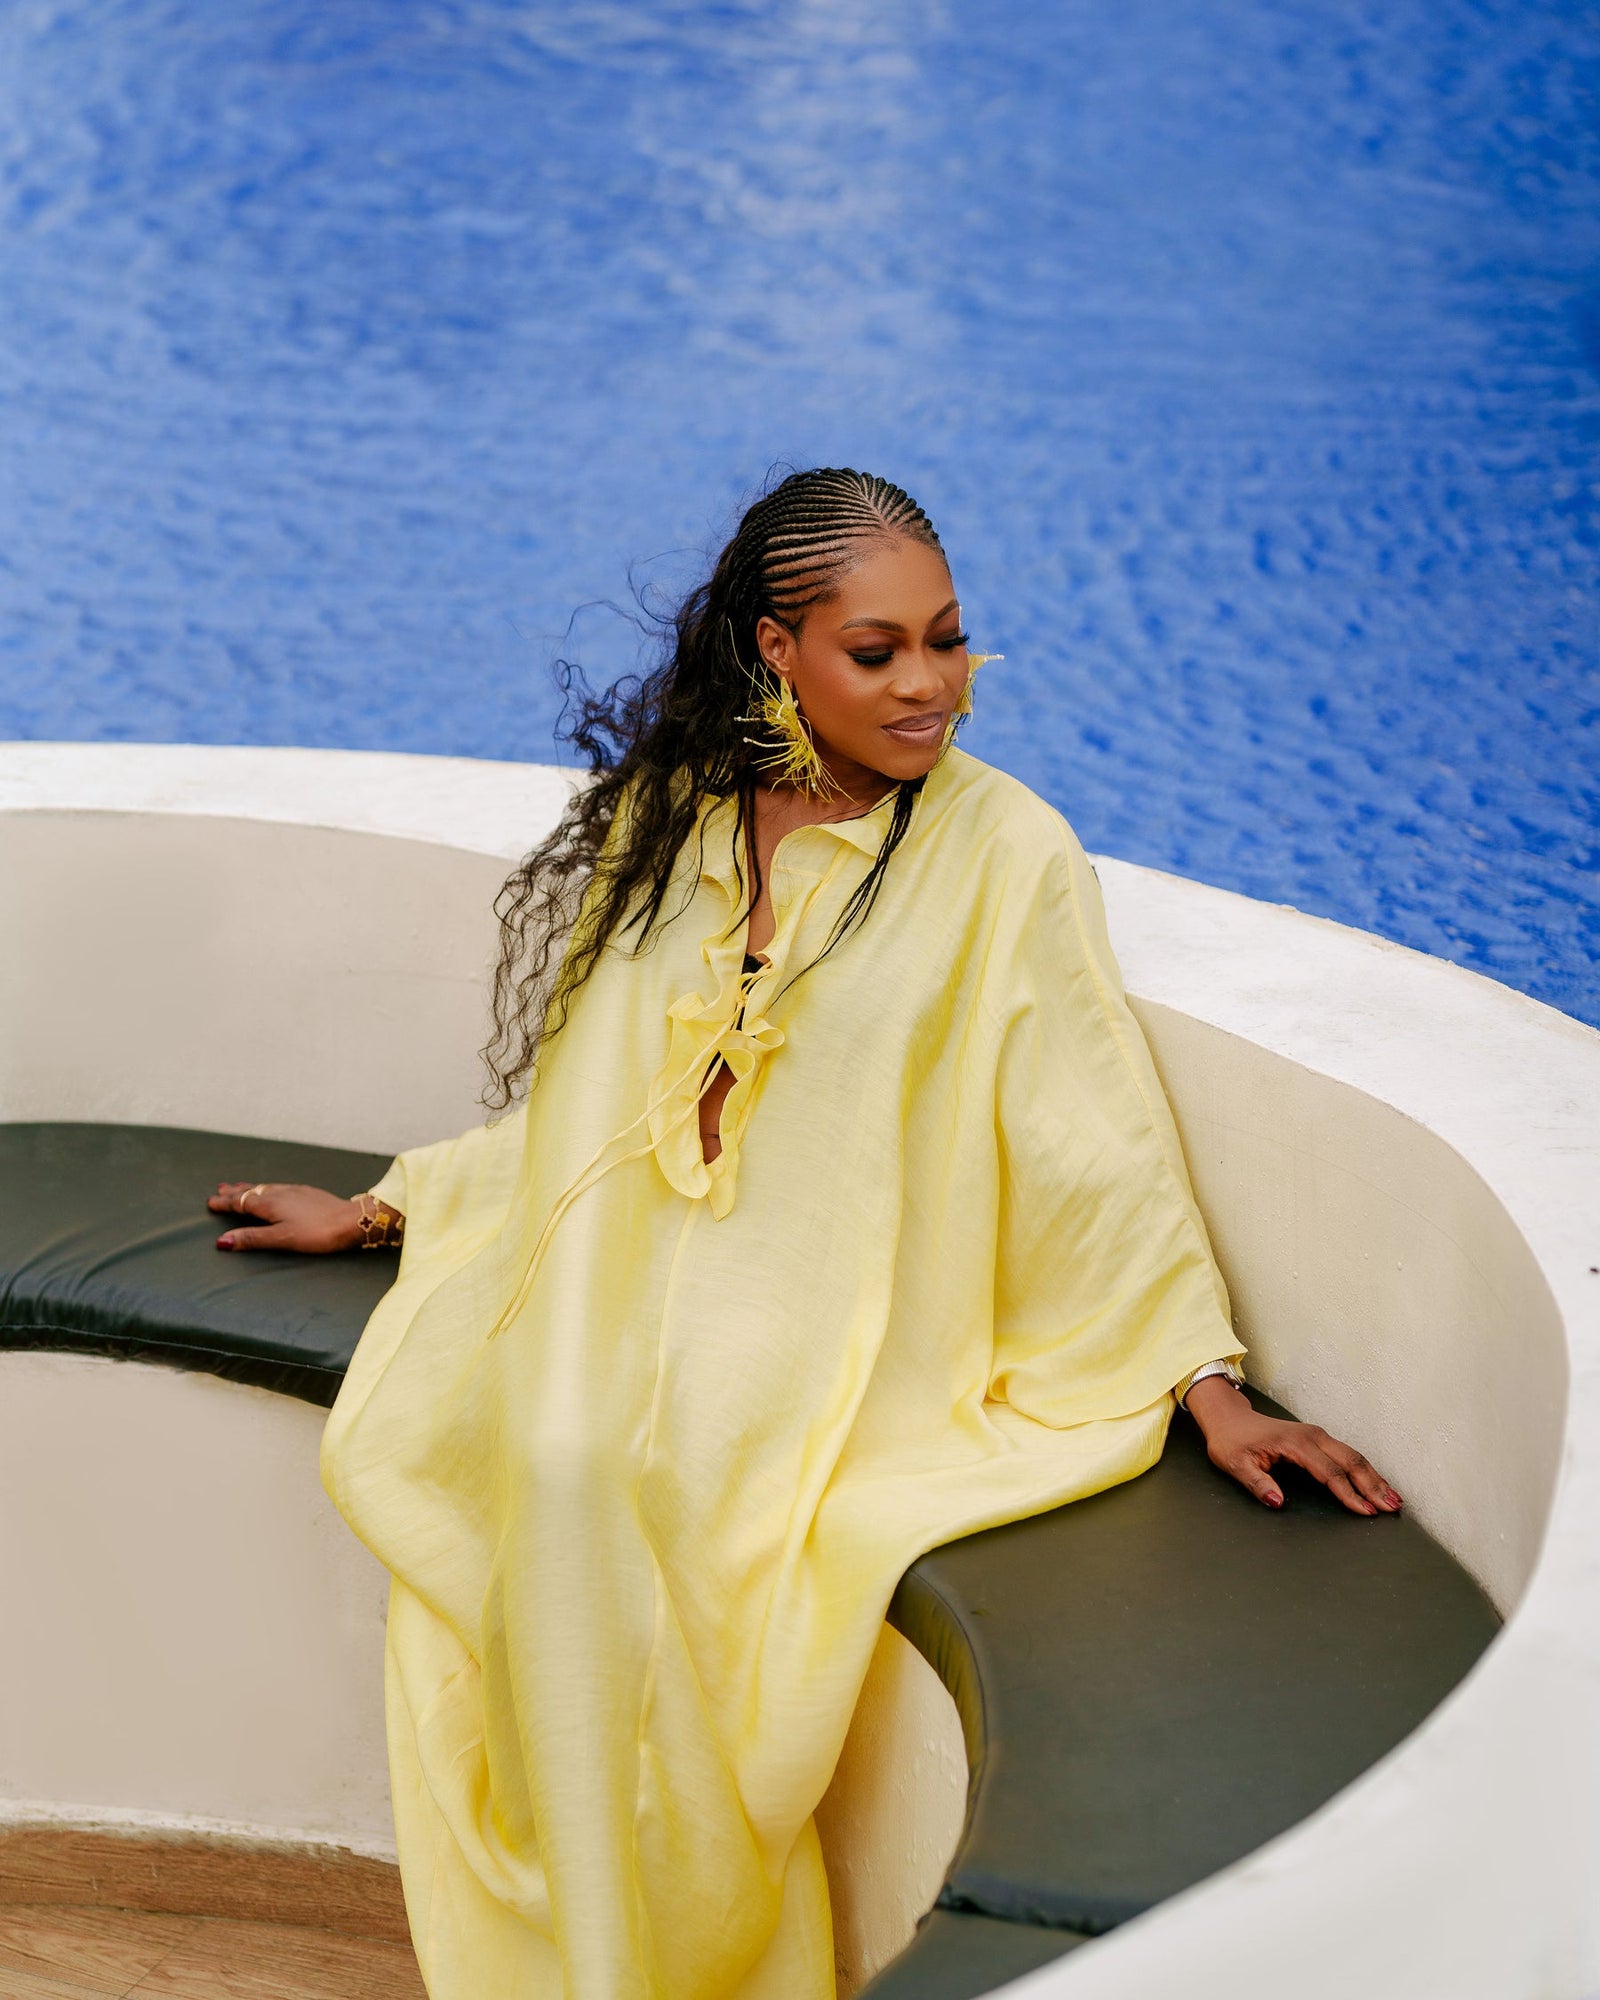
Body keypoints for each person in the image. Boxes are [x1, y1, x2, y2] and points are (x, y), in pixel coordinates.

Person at [208, 469, 1399, 2000]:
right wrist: (394, 1204)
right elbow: (588, 1107)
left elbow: (1084, 1128)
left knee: (656, 1484)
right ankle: (588, 1935)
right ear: (778, 651)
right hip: (624, 1270)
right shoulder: (677, 814)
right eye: (878, 650)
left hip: (831, 1311)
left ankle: (662, 1950)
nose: (931, 686)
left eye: (949, 640)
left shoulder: (1006, 851)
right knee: (545, 1452)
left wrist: (1203, 1380)